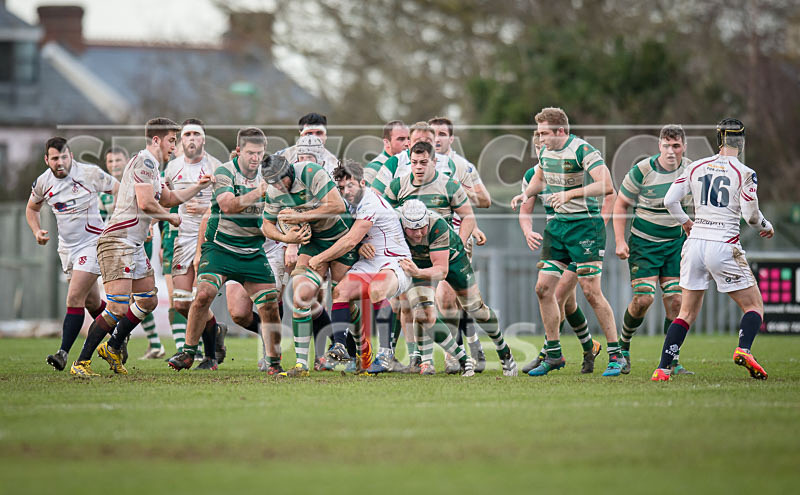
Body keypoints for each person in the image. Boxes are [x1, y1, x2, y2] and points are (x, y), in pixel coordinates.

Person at [70, 118, 212, 377]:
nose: (175, 145)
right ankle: (81, 361)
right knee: (117, 308)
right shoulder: (144, 161)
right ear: (156, 140)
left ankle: (112, 347)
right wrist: (170, 218)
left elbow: (167, 198)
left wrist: (198, 187)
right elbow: (147, 203)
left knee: (148, 299)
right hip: (118, 241)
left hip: (133, 245)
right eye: (172, 140)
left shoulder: (155, 168)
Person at [652, 118, 774, 381]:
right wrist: (766, 225)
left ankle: (662, 368)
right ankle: (744, 349)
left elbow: (669, 200)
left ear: (719, 139)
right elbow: (752, 217)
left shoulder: (696, 166)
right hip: (724, 245)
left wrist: (686, 222)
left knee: (685, 313)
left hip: (694, 244)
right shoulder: (744, 172)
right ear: (741, 142)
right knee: (754, 306)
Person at [167, 127, 283, 371]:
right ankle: (188, 352)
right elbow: (227, 206)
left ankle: (273, 362)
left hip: (252, 251)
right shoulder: (224, 172)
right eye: (251, 152)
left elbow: (280, 210)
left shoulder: (270, 175)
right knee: (202, 295)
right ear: (239, 151)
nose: (255, 158)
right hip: (220, 248)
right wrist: (259, 191)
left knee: (270, 305)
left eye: (260, 153)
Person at [523, 107, 624, 377]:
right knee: (543, 290)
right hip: (557, 228)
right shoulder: (545, 152)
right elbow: (540, 179)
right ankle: (553, 354)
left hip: (584, 226)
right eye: (540, 133)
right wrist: (523, 195)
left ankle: (616, 355)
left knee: (590, 292)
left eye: (545, 133)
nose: (541, 138)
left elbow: (606, 185)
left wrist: (570, 195)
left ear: (561, 131)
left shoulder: (583, 150)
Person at [307, 161, 413, 373]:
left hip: (395, 262)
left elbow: (349, 241)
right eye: (342, 187)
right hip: (370, 262)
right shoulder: (350, 203)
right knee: (340, 291)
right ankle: (339, 346)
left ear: (362, 183)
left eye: (350, 185)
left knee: (377, 290)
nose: (346, 191)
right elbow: (356, 237)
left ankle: (386, 355)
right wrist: (363, 244)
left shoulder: (370, 202)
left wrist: (319, 258)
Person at [512, 131, 602, 374]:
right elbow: (525, 210)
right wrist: (527, 231)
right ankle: (589, 346)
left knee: (558, 294)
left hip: (580, 234)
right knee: (568, 302)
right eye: (539, 143)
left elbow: (600, 189)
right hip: (557, 238)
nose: (544, 145)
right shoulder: (532, 176)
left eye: (546, 139)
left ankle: (548, 353)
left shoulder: (572, 168)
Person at [26, 137, 119, 371]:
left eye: (64, 157)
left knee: (73, 298)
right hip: (67, 248)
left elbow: (119, 189)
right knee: (91, 302)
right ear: (47, 160)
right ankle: (118, 335)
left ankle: (63, 353)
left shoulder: (89, 173)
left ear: (71, 156)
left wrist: (116, 221)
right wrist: (37, 231)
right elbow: (32, 208)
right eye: (55, 158)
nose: (60, 162)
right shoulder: (42, 182)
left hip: (93, 243)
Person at [260, 153, 357, 377]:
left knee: (345, 298)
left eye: (279, 180)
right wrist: (286, 239)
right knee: (301, 296)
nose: (277, 186)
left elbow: (337, 206)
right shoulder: (274, 190)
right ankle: (301, 365)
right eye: (271, 182)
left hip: (342, 238)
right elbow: (266, 225)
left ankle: (360, 353)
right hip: (313, 244)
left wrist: (301, 216)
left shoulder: (310, 172)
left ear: (288, 171)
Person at [398, 200, 516, 376]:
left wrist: (418, 272)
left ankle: (503, 349)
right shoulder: (394, 223)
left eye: (422, 227)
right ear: (403, 225)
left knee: (477, 310)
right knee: (422, 313)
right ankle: (440, 361)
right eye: (413, 229)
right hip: (417, 263)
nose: (419, 233)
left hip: (451, 260)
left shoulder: (437, 226)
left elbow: (441, 270)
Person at [613, 124, 693, 374]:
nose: (671, 151)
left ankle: (671, 360)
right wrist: (619, 241)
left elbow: (700, 206)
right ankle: (623, 347)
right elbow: (621, 204)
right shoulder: (643, 170)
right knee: (643, 299)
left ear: (683, 147)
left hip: (675, 245)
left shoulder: (692, 170)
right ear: (659, 146)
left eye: (676, 145)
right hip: (644, 244)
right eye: (666, 145)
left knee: (677, 302)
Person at [429, 116, 491, 372]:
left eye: (442, 133)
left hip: (456, 238)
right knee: (452, 299)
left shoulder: (461, 165)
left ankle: (453, 357)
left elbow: (485, 200)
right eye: (432, 133)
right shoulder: (420, 165)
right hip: (427, 239)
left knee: (446, 295)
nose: (437, 138)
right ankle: (472, 342)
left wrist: (465, 192)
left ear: (451, 138)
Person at [163, 119, 225, 369]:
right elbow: (164, 198)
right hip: (182, 237)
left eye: (196, 134)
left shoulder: (217, 168)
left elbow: (228, 204)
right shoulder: (172, 168)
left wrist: (205, 208)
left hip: (209, 239)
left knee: (201, 298)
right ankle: (215, 331)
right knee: (180, 303)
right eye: (186, 134)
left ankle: (209, 357)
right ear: (181, 140)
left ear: (204, 140)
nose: (191, 138)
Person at [363, 120, 409, 187]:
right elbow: (366, 196)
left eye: (409, 139)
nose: (407, 143)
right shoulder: (374, 168)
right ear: (386, 142)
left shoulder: (412, 164)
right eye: (401, 139)